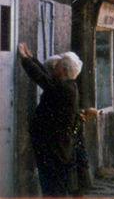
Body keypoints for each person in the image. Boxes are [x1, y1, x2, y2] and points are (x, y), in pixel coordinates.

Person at [17, 43, 82, 196]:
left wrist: (25, 58)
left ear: (63, 70)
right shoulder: (68, 85)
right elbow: (47, 76)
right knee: (54, 185)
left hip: (55, 148)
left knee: (53, 187)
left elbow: (41, 78)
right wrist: (31, 57)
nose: (54, 67)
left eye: (57, 65)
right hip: (56, 146)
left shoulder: (63, 89)